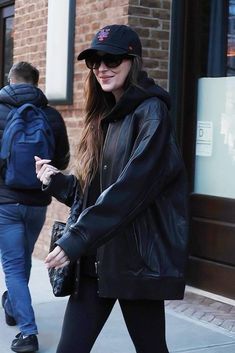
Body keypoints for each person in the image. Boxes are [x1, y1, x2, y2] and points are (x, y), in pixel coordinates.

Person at [36, 25, 188, 353]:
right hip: (95, 259)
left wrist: (76, 238)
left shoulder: (152, 113)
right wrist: (56, 180)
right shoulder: (104, 116)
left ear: (133, 61)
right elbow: (93, 191)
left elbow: (132, 188)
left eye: (113, 59)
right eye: (95, 61)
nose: (102, 67)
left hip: (135, 262)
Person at [0, 61, 70, 353]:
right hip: (38, 202)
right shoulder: (51, 115)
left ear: (10, 80)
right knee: (23, 259)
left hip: (5, 203)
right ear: (36, 82)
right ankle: (13, 304)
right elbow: (63, 161)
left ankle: (28, 333)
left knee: (14, 268)